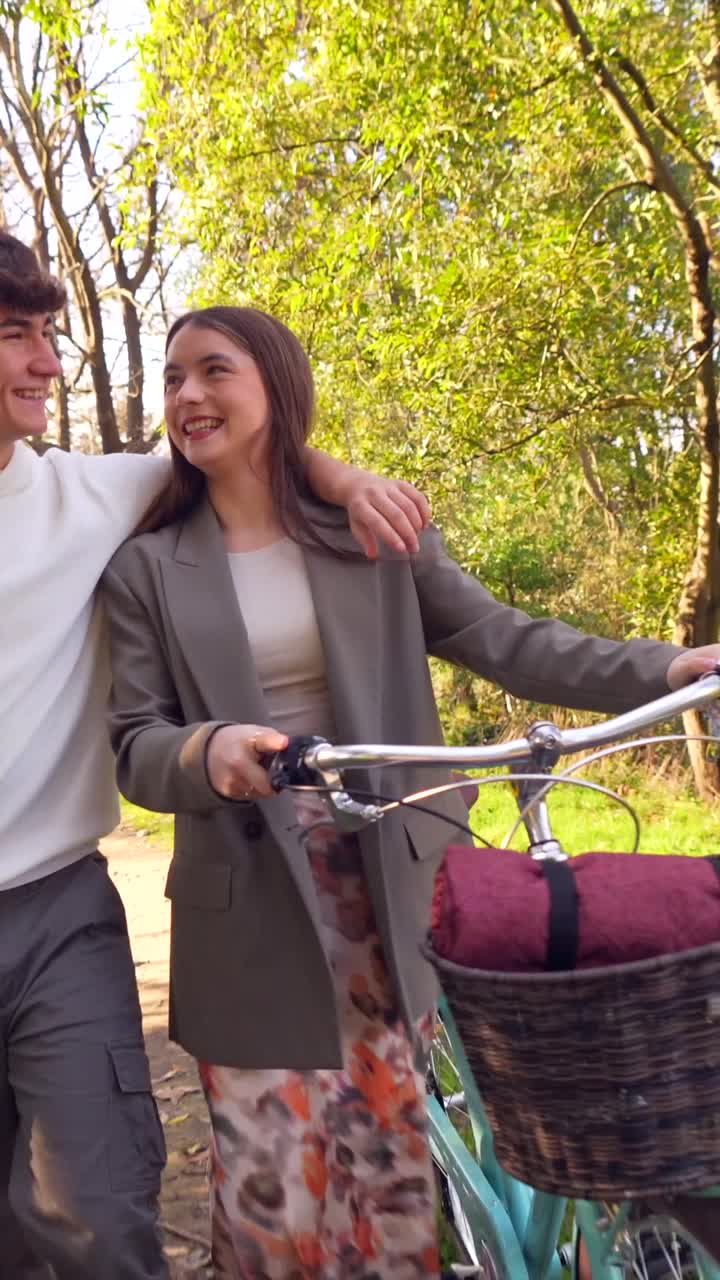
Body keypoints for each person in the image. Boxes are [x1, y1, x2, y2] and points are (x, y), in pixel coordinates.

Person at [101, 303, 720, 1280]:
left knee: (388, 1168)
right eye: (172, 377)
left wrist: (668, 669)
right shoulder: (147, 567)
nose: (186, 395)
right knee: (273, 1185)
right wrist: (209, 750)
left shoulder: (369, 530)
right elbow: (135, 744)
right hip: (253, 910)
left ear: (275, 383)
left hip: (386, 878)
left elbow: (508, 639)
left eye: (213, 370)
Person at [0, 232, 431, 1280]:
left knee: (100, 1219)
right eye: (17, 335)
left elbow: (245, 447)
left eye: (49, 334)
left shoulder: (90, 495)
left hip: (55, 910)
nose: (49, 362)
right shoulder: (126, 528)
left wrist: (342, 470)